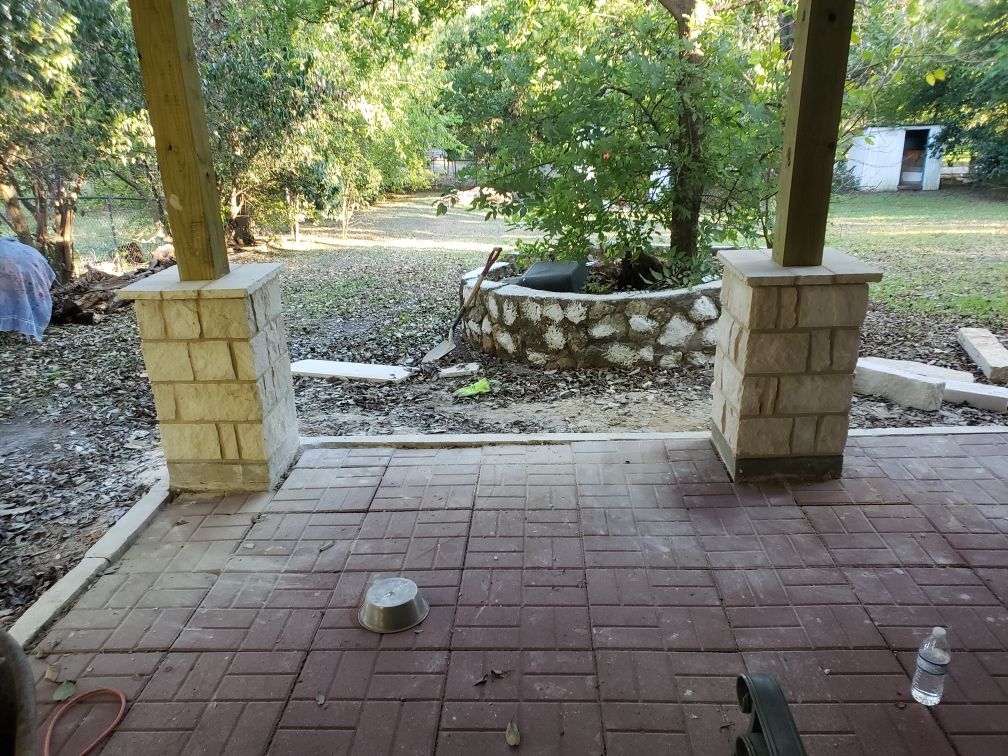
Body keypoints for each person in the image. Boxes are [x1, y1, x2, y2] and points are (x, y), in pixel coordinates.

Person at [0, 237, 57, 341]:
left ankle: (22, 324)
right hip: (31, 268)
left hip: (19, 272)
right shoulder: (23, 250)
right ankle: (25, 325)